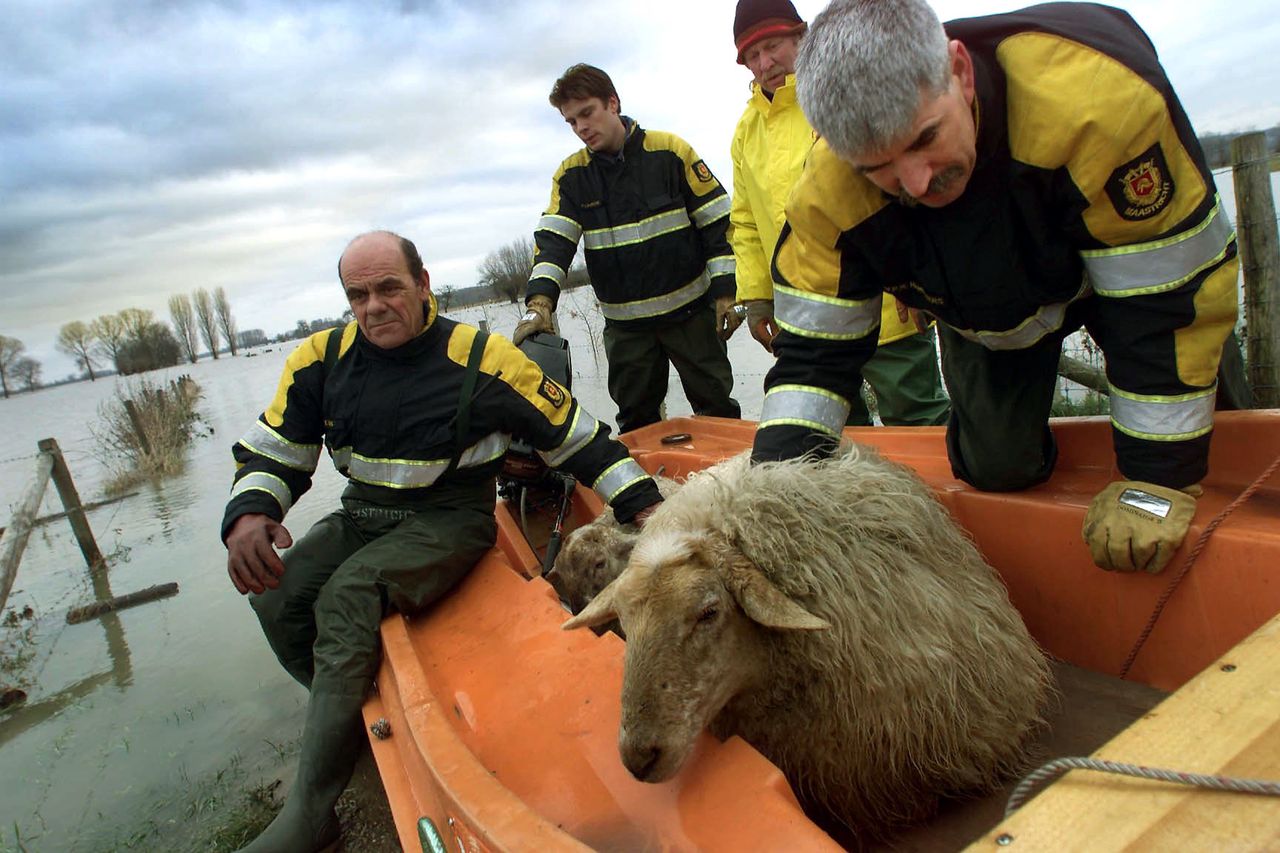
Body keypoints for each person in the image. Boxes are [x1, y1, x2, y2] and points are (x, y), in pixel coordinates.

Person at [753, 0, 1238, 576]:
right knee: (997, 468)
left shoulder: (1097, 106)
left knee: (1224, 444)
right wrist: (773, 504)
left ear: (958, 70)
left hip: (1127, 276)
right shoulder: (828, 193)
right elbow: (811, 359)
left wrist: (1157, 479)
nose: (917, 182)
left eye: (924, 137)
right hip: (990, 312)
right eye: (876, 169)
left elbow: (1172, 297)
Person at [222, 230, 663, 852]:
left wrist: (645, 506)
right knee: (274, 598)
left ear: (423, 284)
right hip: (361, 514)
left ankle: (311, 814)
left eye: (388, 289)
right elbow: (277, 450)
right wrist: (250, 512)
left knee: (348, 595)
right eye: (357, 295)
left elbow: (578, 437)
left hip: (449, 519)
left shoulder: (484, 358)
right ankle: (346, 719)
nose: (373, 306)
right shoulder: (320, 359)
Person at [729, 0, 950, 427]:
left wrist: (923, 280)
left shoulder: (847, 94)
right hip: (809, 321)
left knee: (919, 420)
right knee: (835, 435)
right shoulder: (745, 133)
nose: (764, 62)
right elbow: (745, 222)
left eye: (772, 45)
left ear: (801, 37)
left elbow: (906, 185)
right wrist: (756, 298)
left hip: (890, 307)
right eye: (752, 55)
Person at [514, 63, 743, 434]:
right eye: (571, 121)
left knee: (718, 415)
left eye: (586, 113)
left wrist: (725, 294)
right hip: (627, 333)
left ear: (613, 103)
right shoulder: (571, 177)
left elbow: (719, 227)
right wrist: (539, 304)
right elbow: (554, 245)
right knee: (637, 425)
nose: (581, 127)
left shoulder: (670, 152)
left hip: (692, 319)